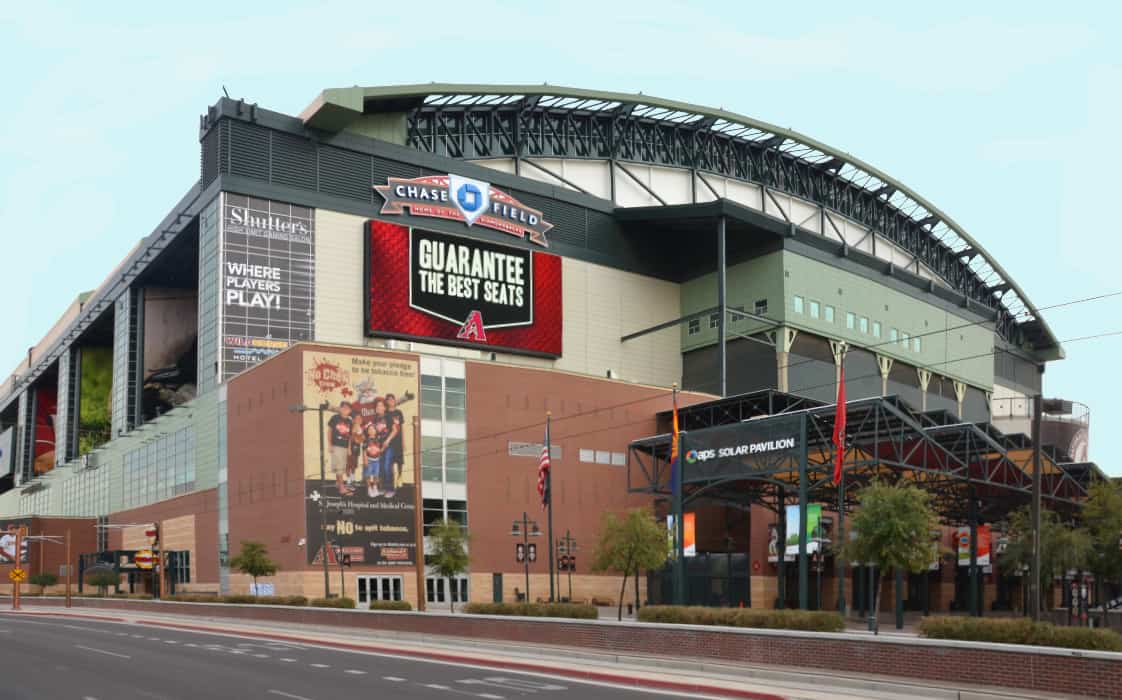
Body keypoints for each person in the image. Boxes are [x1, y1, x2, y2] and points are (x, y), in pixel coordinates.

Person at [326, 402, 355, 496]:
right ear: (340, 408)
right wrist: (329, 444)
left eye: (348, 408)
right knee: (339, 467)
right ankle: (342, 487)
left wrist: (349, 448)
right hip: (336, 446)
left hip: (345, 446)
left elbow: (350, 436)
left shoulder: (350, 421)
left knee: (342, 465)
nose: (345, 410)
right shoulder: (335, 418)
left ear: (350, 410)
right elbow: (329, 431)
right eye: (343, 407)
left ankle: (338, 483)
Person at [384, 393, 406, 492]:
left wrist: (403, 442)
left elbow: (402, 428)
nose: (391, 401)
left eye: (392, 399)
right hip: (389, 442)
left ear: (394, 401)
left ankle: (400, 476)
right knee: (390, 463)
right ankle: (392, 481)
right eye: (388, 400)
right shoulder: (385, 413)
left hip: (398, 440)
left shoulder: (399, 412)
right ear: (387, 402)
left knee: (400, 462)